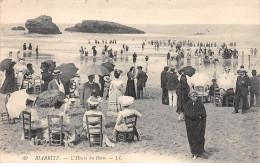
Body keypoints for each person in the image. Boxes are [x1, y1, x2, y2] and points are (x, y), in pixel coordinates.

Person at [183, 90, 208, 159]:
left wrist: (199, 117)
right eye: (194, 96)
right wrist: (195, 116)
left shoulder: (200, 103)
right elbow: (187, 114)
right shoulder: (188, 104)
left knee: (200, 136)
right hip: (190, 124)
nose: (195, 97)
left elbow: (203, 113)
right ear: (190, 97)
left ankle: (201, 151)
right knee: (192, 138)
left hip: (199, 123)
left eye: (196, 96)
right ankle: (194, 153)